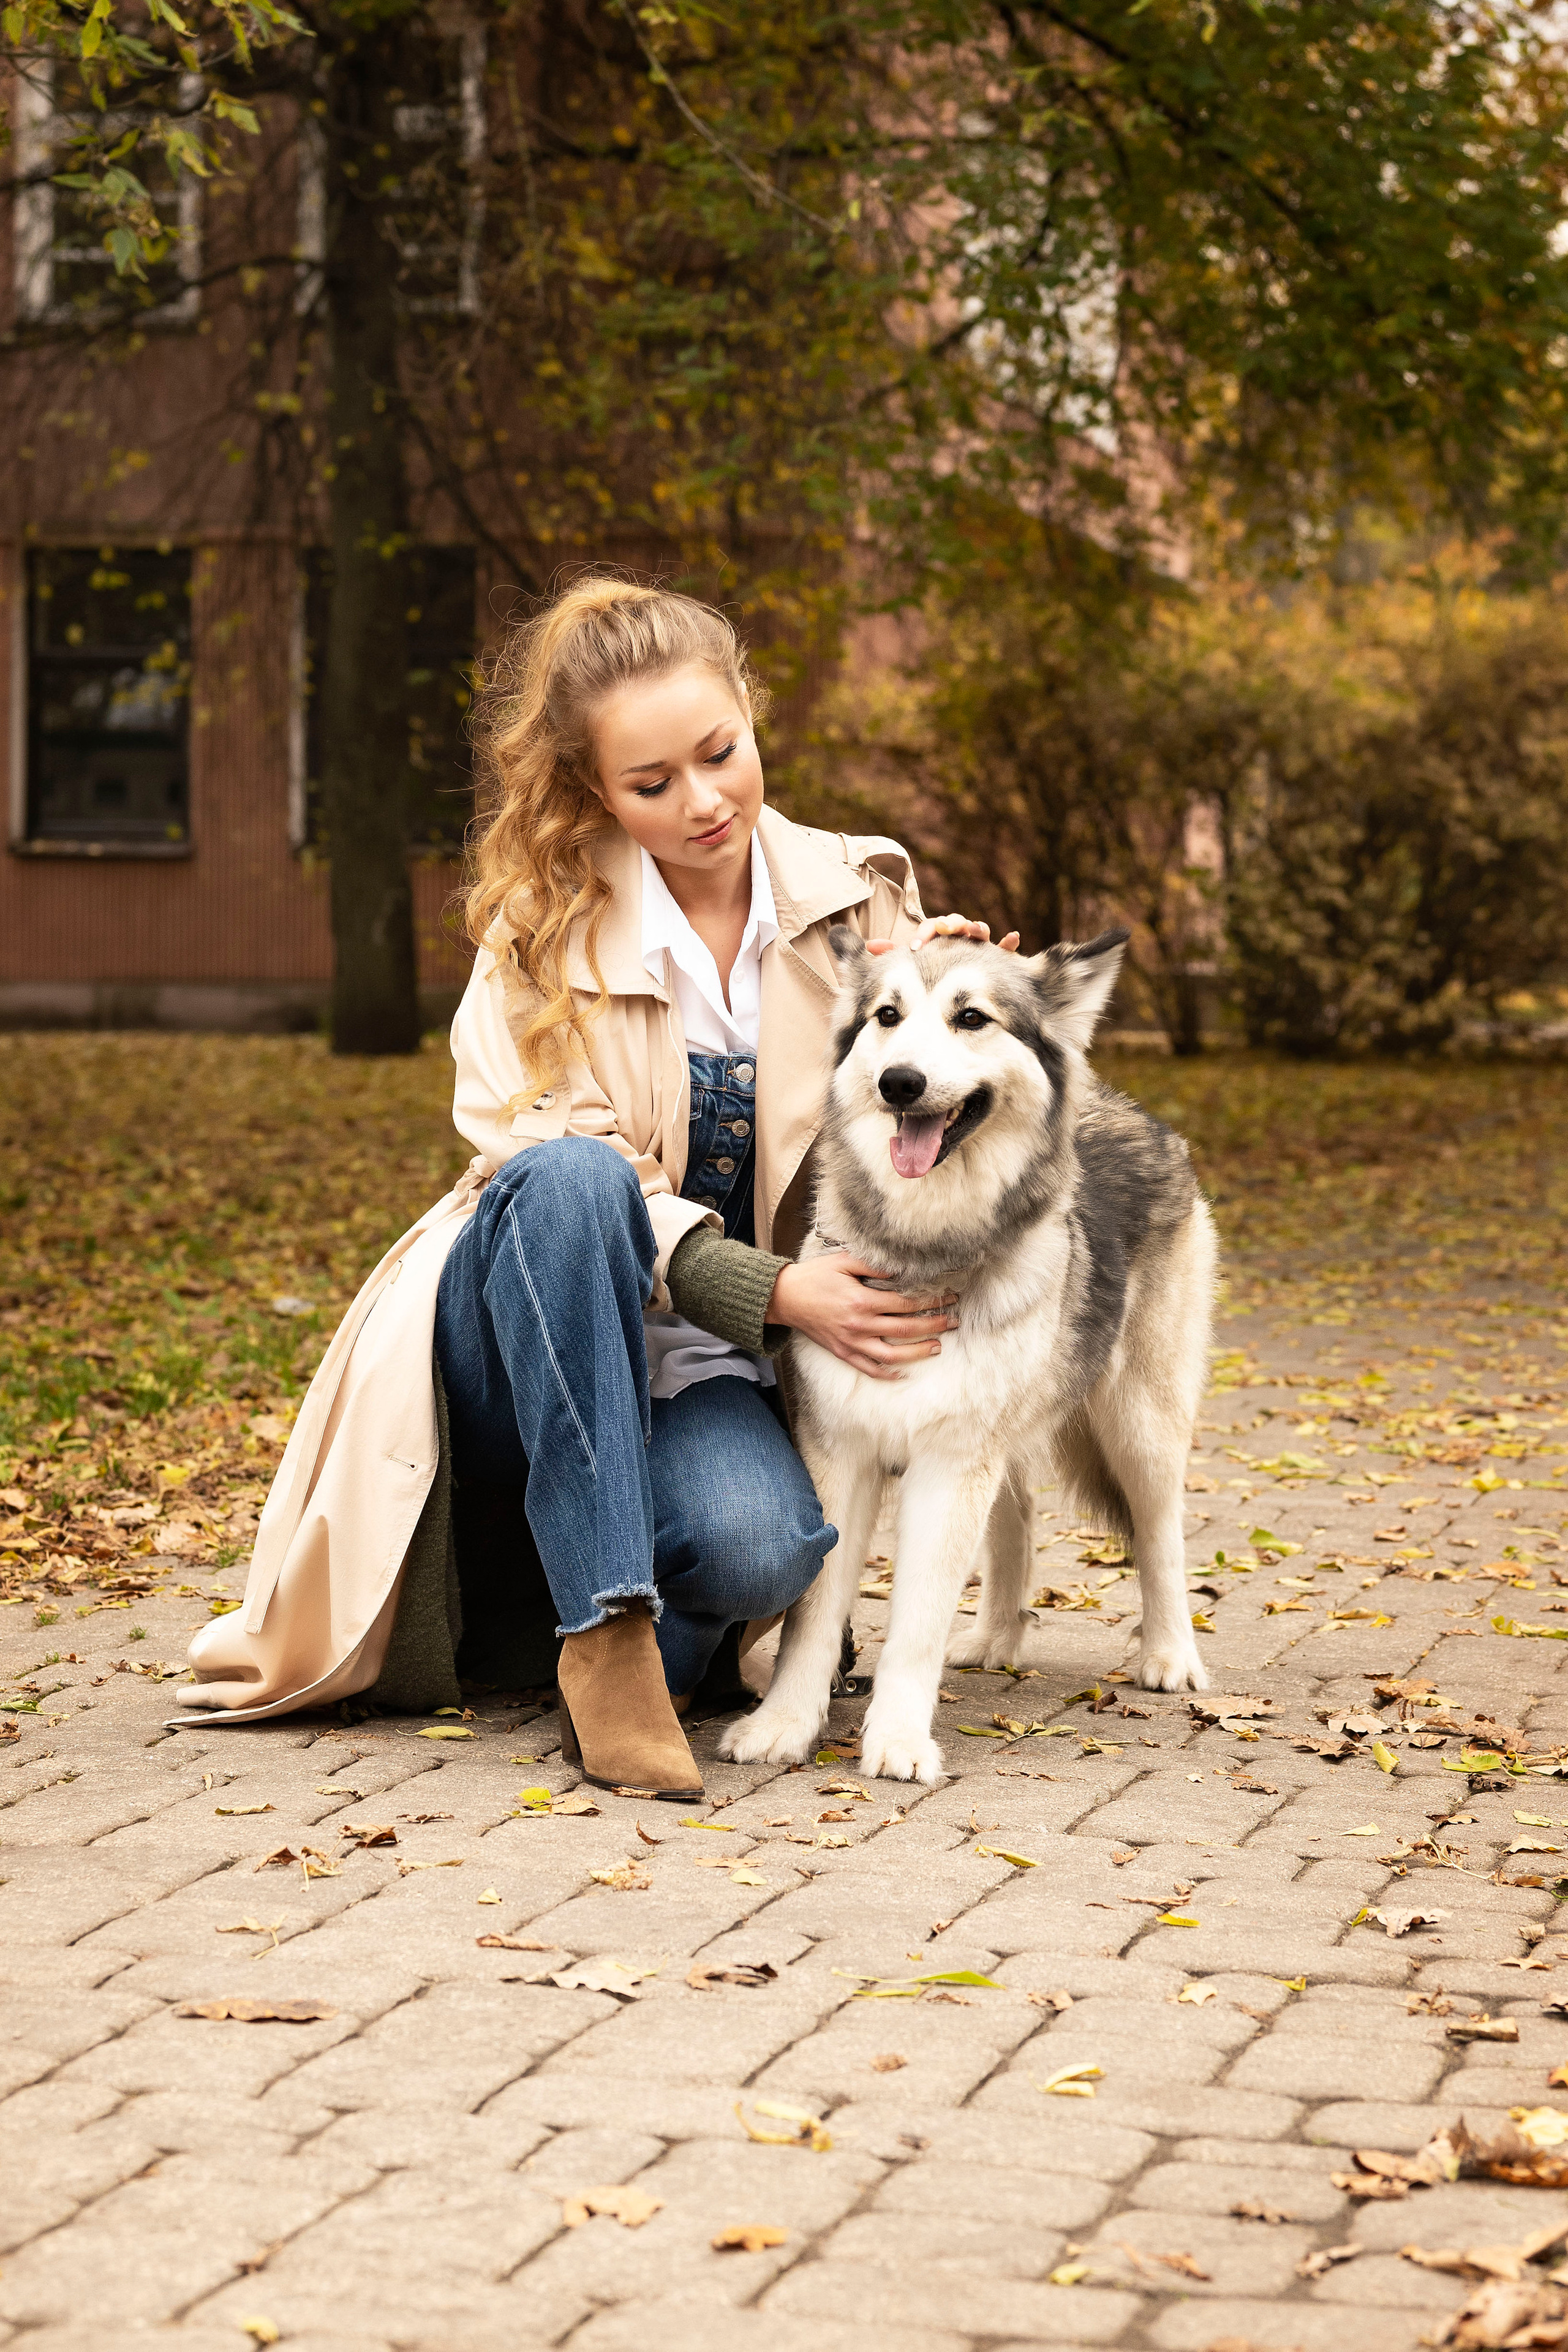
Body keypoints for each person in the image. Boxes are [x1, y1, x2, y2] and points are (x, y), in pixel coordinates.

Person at [179, 578, 1011, 1792]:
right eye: (650, 783)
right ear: (593, 790)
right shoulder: (540, 927)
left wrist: (973, 992)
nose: (704, 801)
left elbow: (932, 1076)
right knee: (575, 1181)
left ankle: (533, 1618)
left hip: (698, 1365)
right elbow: (521, 1134)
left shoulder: (859, 899)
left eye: (720, 753)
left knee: (764, 1551)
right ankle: (610, 1632)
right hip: (514, 1323)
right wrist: (767, 1289)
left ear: (747, 710)